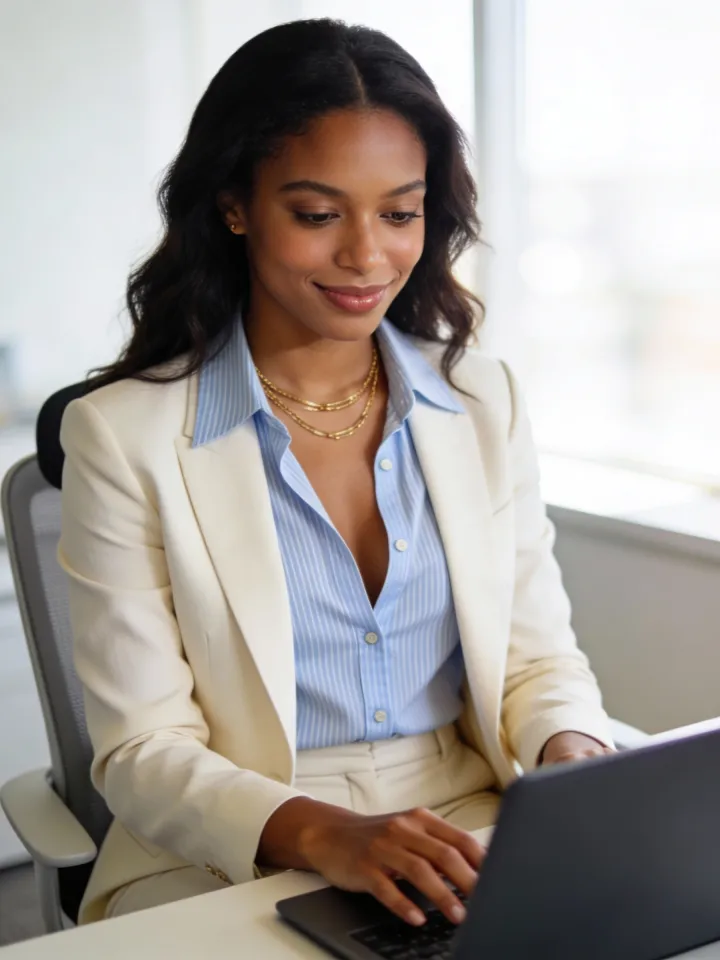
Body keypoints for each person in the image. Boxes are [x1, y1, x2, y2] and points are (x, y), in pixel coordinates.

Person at [59, 18, 614, 927]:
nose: (367, 256)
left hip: (462, 820)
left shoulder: (482, 400)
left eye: (400, 212)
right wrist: (328, 833)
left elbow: (535, 660)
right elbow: (144, 749)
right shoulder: (121, 437)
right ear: (235, 204)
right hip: (235, 839)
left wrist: (575, 754)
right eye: (318, 215)